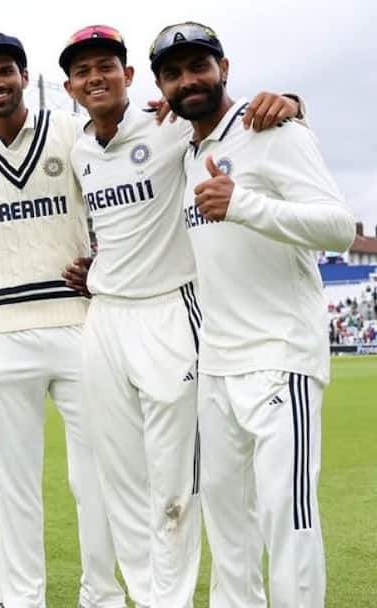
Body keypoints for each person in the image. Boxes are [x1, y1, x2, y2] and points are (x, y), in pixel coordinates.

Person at [58, 25, 303, 607]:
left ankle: (170, 599)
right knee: (120, 478)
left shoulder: (169, 125)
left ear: (129, 76)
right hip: (105, 320)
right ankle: (148, 597)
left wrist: (292, 102)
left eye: (106, 66)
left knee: (174, 481)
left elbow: (235, 119)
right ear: (69, 87)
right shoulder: (78, 148)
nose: (95, 78)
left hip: (170, 312)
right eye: (82, 71)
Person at [150, 22, 355, 607]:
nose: (188, 81)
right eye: (173, 74)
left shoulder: (273, 129)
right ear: (161, 87)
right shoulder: (186, 149)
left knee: (286, 518)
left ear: (225, 68)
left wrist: (244, 203)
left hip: (279, 356)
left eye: (199, 66)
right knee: (228, 523)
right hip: (217, 363)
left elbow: (339, 227)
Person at [0, 33, 124, 608]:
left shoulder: (69, 131)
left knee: (93, 474)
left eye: (5, 72)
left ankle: (101, 595)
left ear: (23, 75)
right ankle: (22, 598)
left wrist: (106, 265)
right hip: (0, 332)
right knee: (14, 480)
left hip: (77, 325)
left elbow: (116, 195)